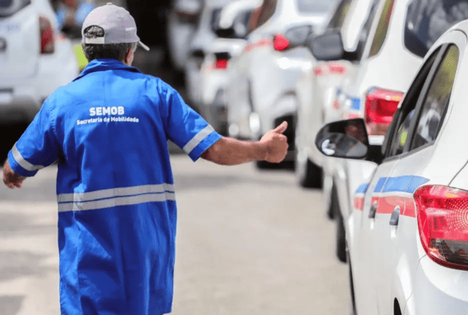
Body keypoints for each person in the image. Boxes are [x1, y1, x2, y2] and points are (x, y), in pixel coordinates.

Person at [2, 3, 288, 314]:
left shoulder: (62, 102)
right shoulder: (156, 94)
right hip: (146, 261)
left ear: (85, 51)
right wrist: (262, 149)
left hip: (86, 267)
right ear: (129, 51)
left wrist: (12, 174)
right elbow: (215, 149)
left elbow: (17, 165)